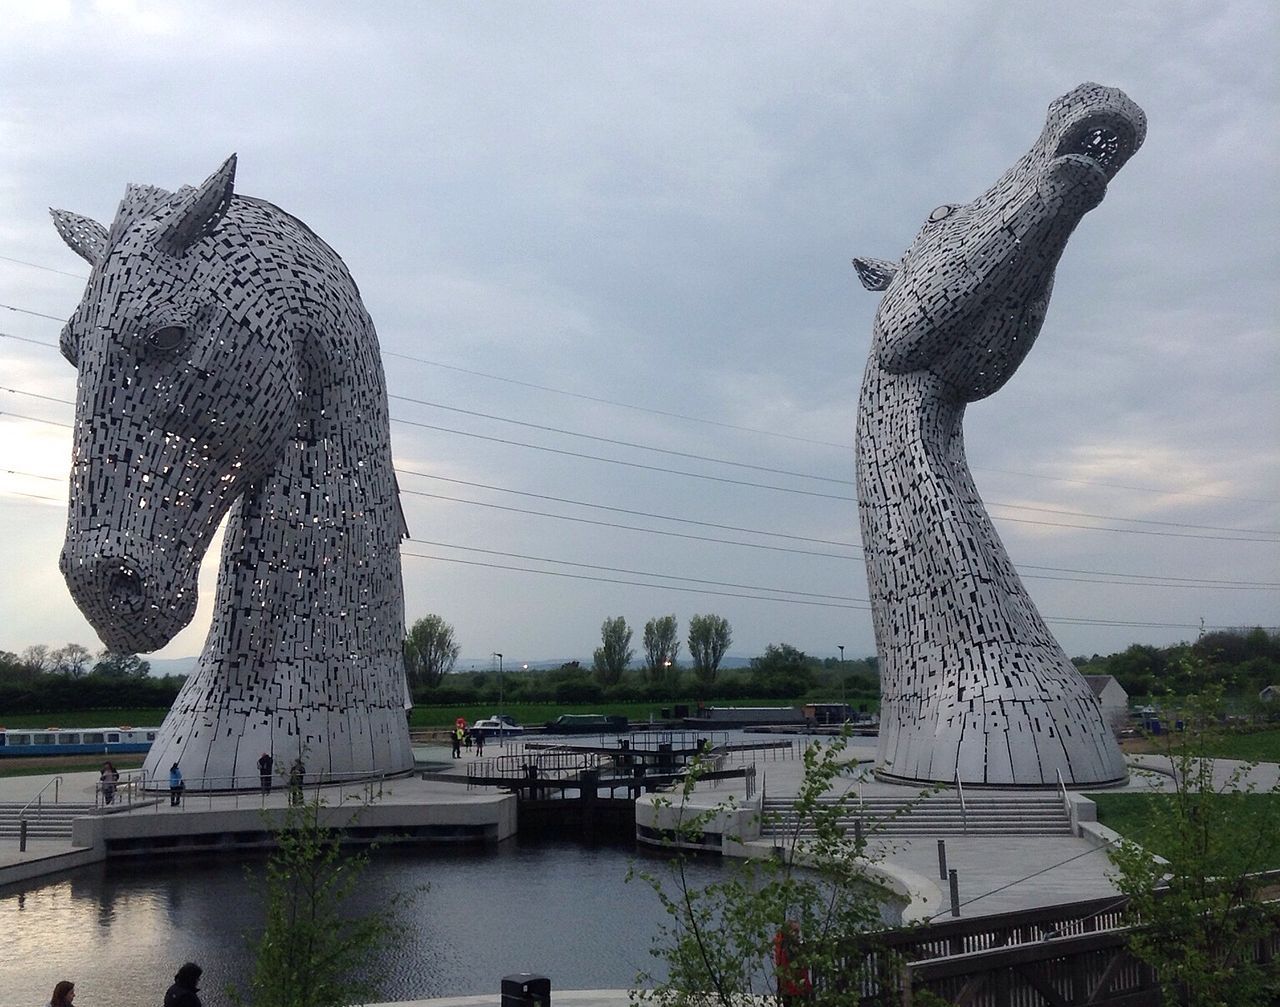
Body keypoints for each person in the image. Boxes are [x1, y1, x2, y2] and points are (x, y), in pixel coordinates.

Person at [773, 921, 812, 1005]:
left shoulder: (781, 945)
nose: (797, 934)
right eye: (795, 931)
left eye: (798, 931)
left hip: (787, 988)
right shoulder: (789, 947)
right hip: (795, 988)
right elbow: (796, 962)